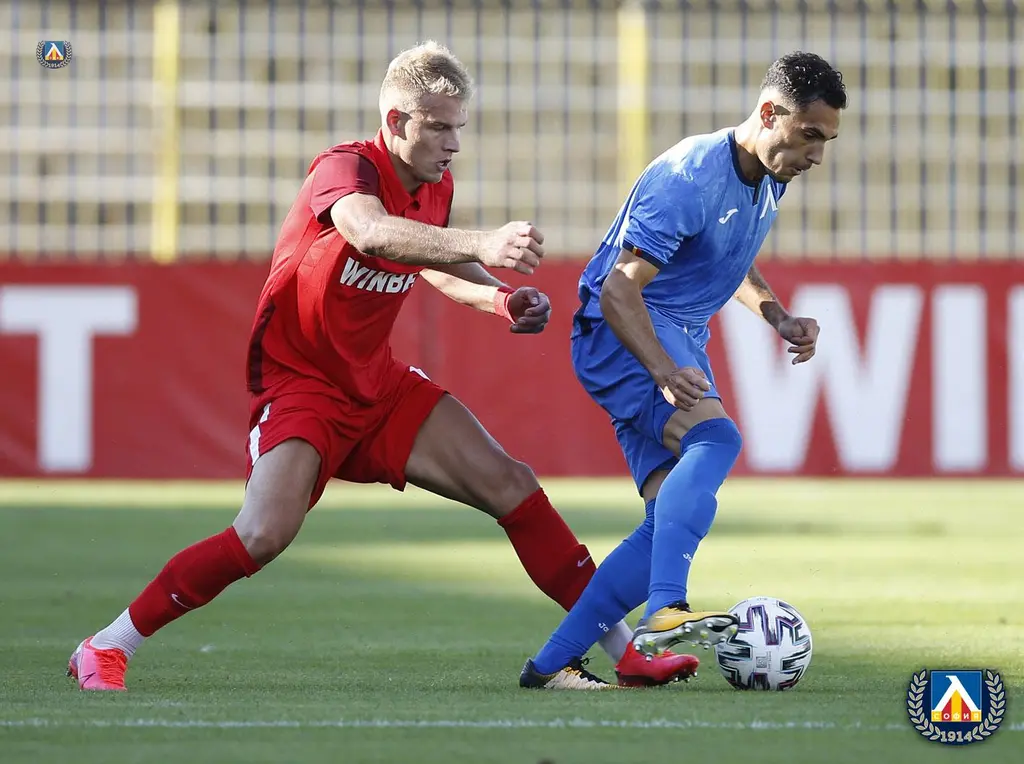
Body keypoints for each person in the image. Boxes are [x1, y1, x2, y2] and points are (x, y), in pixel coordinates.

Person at [67, 40, 693, 692]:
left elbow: (432, 260)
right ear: (396, 121)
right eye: (439, 127)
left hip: (379, 386)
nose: (453, 143)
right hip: (303, 386)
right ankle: (108, 645)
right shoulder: (344, 169)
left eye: (459, 127)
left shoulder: (435, 184)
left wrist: (500, 299)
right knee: (262, 534)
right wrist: (484, 241)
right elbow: (371, 231)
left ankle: (626, 653)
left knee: (511, 484)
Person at [520, 51, 847, 690]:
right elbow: (619, 289)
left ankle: (553, 663)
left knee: (665, 520)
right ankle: (667, 609)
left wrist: (776, 315)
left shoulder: (770, 175)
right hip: (625, 328)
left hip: (671, 333)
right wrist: (665, 370)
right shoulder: (689, 177)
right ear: (769, 113)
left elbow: (731, 254)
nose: (816, 155)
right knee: (716, 438)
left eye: (826, 141)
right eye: (809, 134)